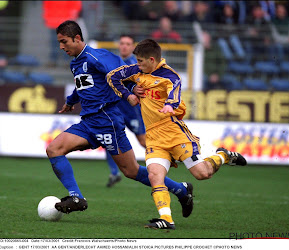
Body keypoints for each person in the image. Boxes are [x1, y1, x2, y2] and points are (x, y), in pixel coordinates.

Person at [46, 21, 194, 218]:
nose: (61, 47)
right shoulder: (76, 62)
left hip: (107, 120)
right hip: (89, 122)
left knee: (131, 171)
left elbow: (123, 74)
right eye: (59, 43)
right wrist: (70, 101)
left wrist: (132, 90)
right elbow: (81, 85)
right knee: (53, 149)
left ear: (78, 38)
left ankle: (182, 191)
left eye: (64, 42)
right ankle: (76, 197)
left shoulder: (97, 56)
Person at [106, 39, 247, 230]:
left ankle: (223, 155)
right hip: (154, 137)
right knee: (155, 175)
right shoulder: (136, 71)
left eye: (140, 61)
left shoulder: (170, 76)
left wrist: (169, 106)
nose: (136, 64)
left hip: (174, 133)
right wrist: (129, 92)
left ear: (152, 59)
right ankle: (166, 219)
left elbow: (175, 93)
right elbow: (112, 77)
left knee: (202, 174)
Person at [105, 34, 146, 187]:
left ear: (132, 47)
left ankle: (163, 159)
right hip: (116, 110)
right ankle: (114, 173)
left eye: (128, 44)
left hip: (132, 111)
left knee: (143, 141)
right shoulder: (113, 63)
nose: (124, 46)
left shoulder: (136, 65)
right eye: (122, 43)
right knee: (109, 139)